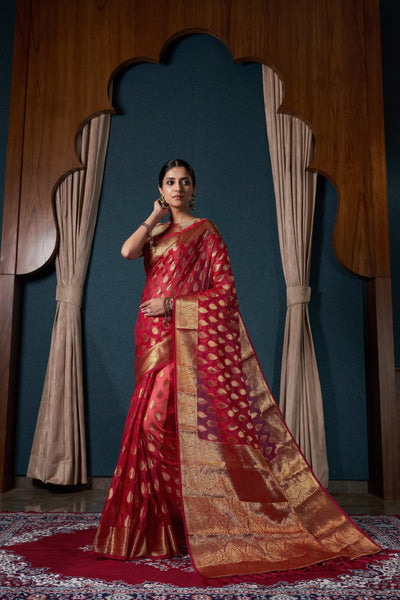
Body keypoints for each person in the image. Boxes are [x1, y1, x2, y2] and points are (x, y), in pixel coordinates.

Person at [92, 158, 380, 577]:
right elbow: (126, 251)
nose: (177, 188)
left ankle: (200, 519)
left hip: (184, 339)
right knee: (152, 429)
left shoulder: (205, 232)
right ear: (161, 189)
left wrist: (173, 305)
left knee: (169, 427)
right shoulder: (155, 233)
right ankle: (171, 527)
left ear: (195, 189)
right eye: (170, 183)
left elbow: (225, 293)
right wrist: (153, 215)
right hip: (150, 339)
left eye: (184, 182)